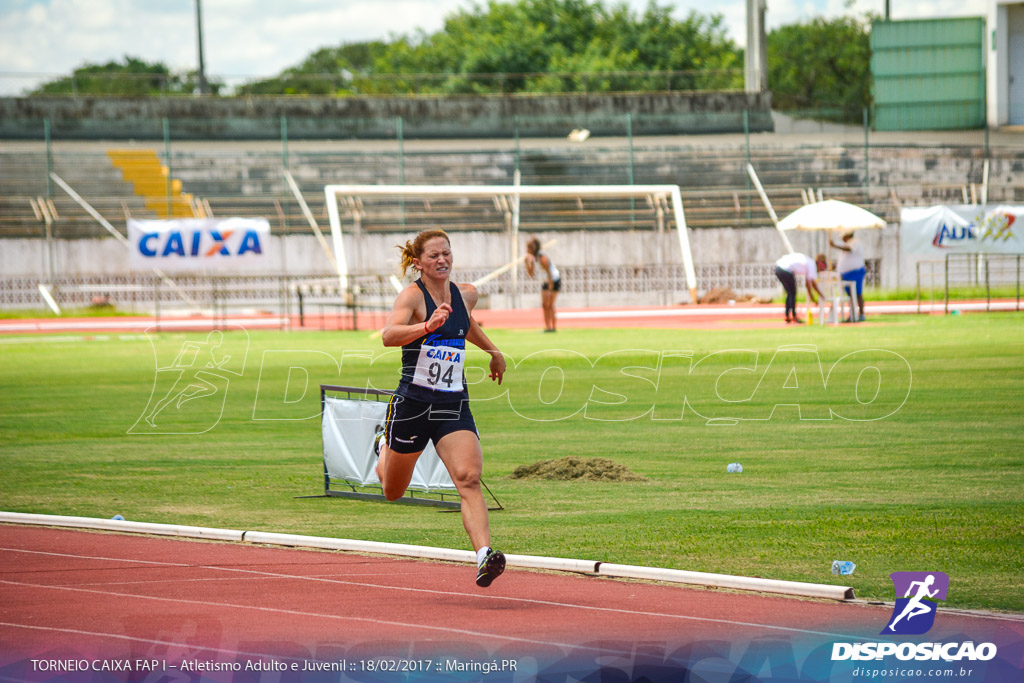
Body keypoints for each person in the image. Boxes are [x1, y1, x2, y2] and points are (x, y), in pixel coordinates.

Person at [375, 229, 508, 588]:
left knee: (468, 477)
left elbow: (466, 326)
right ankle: (383, 447)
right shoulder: (411, 297)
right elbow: (388, 335)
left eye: (446, 253)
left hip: (452, 402)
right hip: (414, 403)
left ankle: (484, 556)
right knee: (393, 490)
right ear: (417, 262)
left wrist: (493, 351)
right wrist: (425, 326)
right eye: (433, 256)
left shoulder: (466, 294)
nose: (442, 260)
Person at [774, 252, 825, 324]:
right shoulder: (812, 264)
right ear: (820, 263)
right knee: (792, 293)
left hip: (778, 268)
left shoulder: (808, 262)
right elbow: (812, 284)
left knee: (790, 293)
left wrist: (812, 297)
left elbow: (808, 283)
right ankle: (794, 316)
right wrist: (819, 296)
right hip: (785, 269)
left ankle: (788, 316)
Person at [524, 236, 561, 332]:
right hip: (545, 281)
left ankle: (553, 327)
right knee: (545, 305)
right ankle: (548, 327)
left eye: (528, 248)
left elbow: (549, 271)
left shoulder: (542, 257)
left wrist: (551, 285)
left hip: (553, 280)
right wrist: (527, 263)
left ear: (533, 248)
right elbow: (531, 274)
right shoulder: (533, 259)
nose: (527, 250)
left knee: (550, 305)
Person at [830, 231, 866, 322]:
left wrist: (834, 245)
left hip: (855, 272)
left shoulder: (855, 242)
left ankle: (861, 314)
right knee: (850, 295)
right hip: (846, 274)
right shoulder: (848, 243)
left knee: (857, 294)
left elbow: (849, 249)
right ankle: (852, 314)